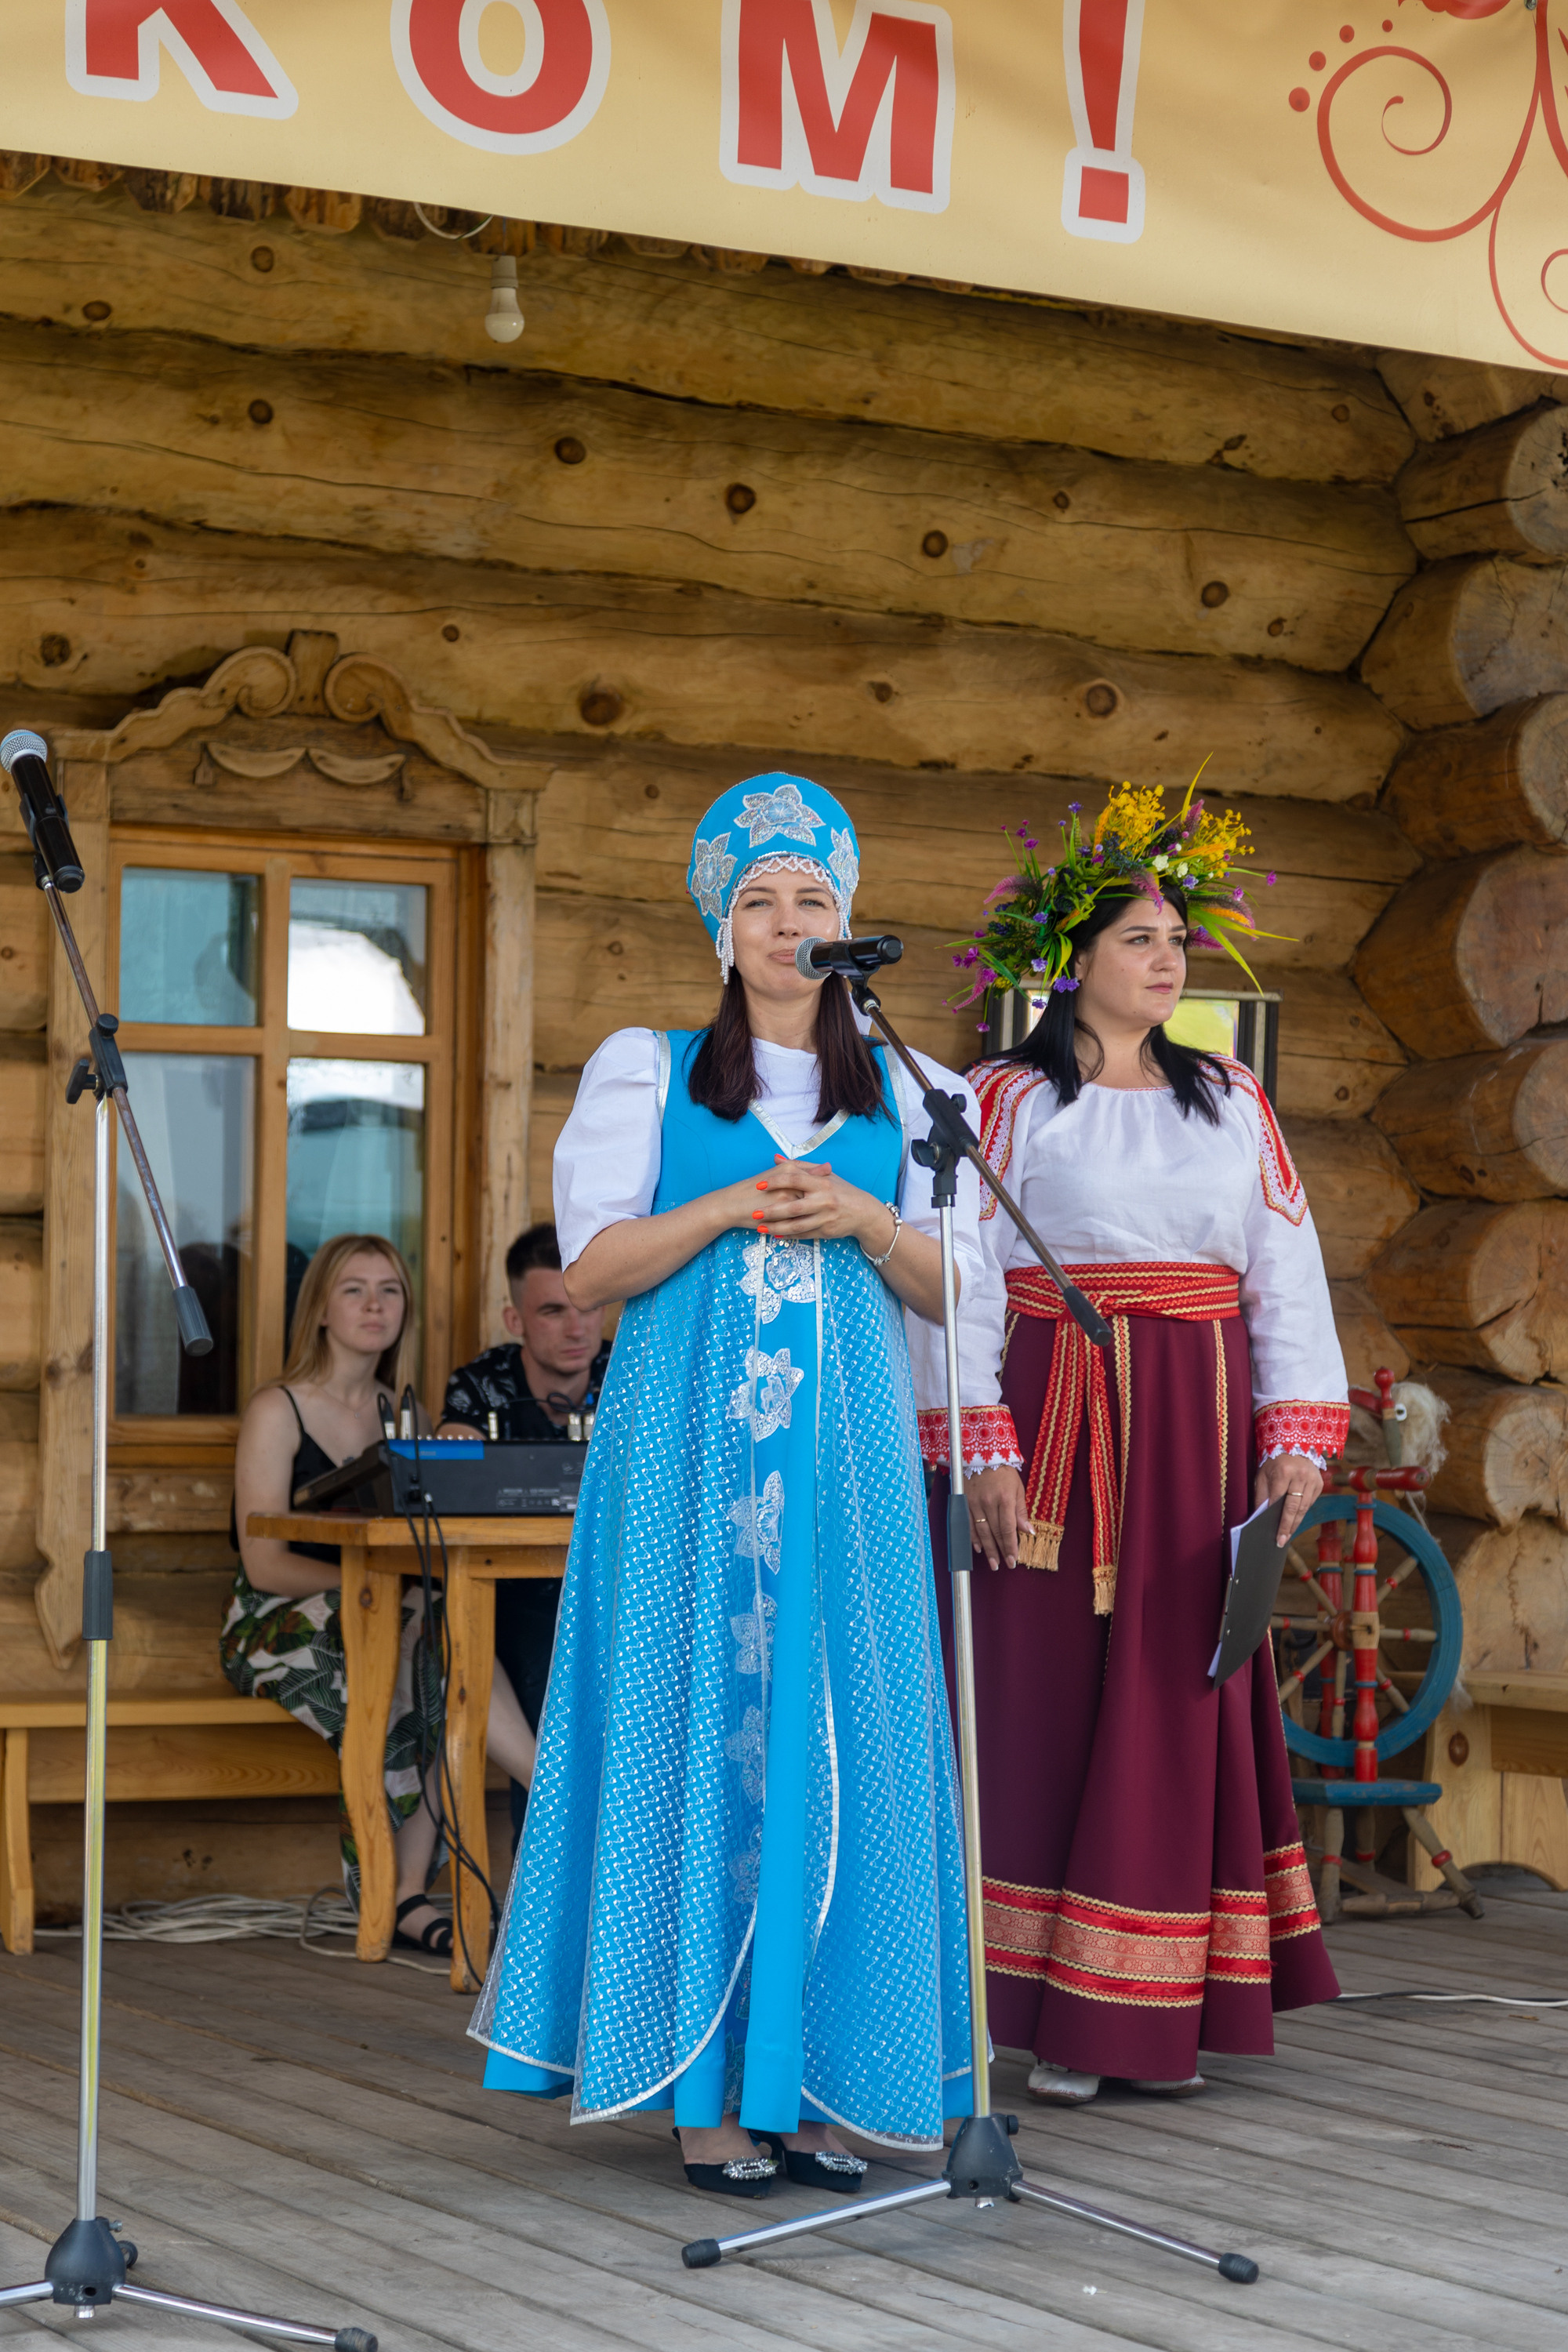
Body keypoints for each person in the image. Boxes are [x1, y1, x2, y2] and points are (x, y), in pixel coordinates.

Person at [471, 774, 979, 2198]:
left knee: (843, 1744)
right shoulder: (647, 1065)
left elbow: (965, 1294)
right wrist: (727, 1206)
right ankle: (705, 2092)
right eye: (758, 899)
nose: (785, 921)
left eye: (810, 899)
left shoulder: (916, 1088)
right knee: (702, 1727)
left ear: (845, 923)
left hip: (851, 1472)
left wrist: (872, 1219)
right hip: (688, 1465)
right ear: (721, 927)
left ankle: (809, 2081)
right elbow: (591, 1272)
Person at [933, 783, 1345, 2106]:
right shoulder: (1004, 1102)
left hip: (1195, 1428)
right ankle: (1031, 2012)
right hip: (1054, 1419)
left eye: (1177, 939)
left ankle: (1146, 2013)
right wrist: (981, 1442)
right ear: (1071, 964)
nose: (1168, 960)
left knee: (1176, 1693)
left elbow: (1285, 1268)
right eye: (1138, 939)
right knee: (1040, 1697)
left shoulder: (1232, 1100)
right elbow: (963, 1274)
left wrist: (1295, 1432)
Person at [223, 1232, 538, 1958]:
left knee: (438, 1649)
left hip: (386, 1616)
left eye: (389, 1290)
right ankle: (409, 1884)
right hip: (269, 1623)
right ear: (323, 1310)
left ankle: (405, 1891)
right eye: (354, 1290)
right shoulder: (280, 1409)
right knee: (408, 1642)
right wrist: (378, 1593)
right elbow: (265, 1563)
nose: (374, 1304)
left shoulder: (407, 1417)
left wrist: (391, 1598)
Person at [439, 1222, 612, 1839]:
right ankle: (541, 1889)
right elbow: (453, 1488)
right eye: (552, 1311)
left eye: (589, 1308)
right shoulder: (478, 1387)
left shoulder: (629, 1374)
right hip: (513, 1596)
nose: (577, 1328)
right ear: (514, 1321)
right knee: (540, 1661)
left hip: (608, 1590)